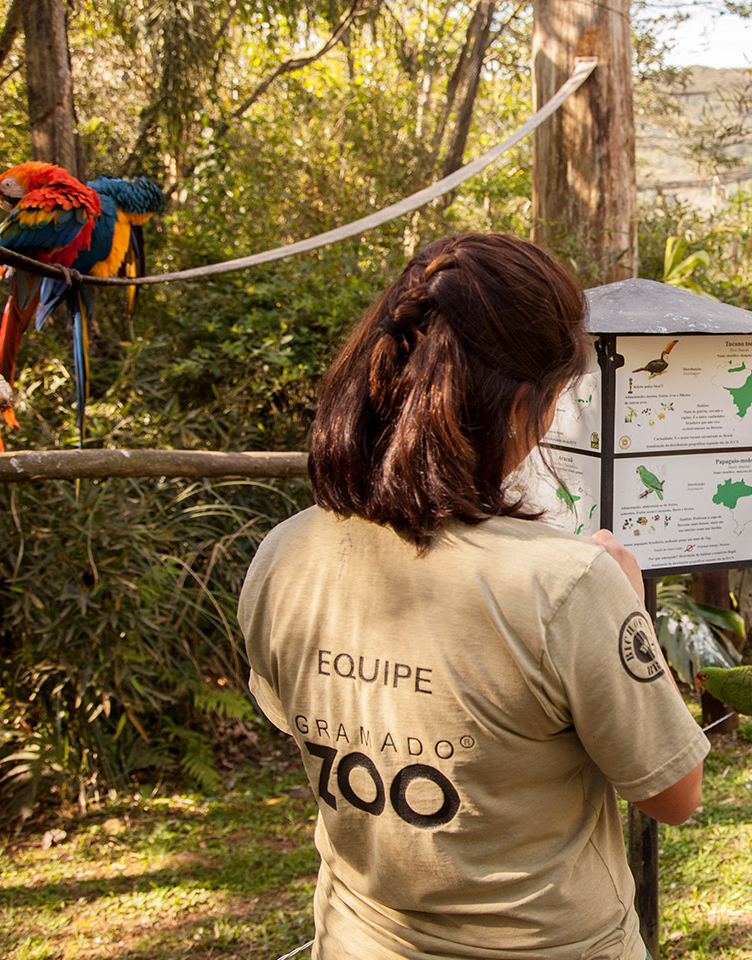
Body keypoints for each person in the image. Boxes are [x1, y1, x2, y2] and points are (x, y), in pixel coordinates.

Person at [238, 233, 708, 960]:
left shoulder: (283, 552)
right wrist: (631, 606)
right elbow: (674, 796)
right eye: (555, 400)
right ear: (523, 403)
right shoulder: (570, 585)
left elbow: (305, 723)